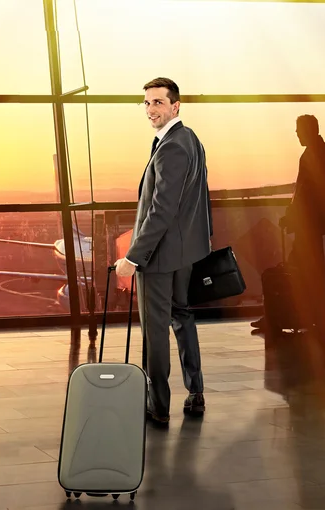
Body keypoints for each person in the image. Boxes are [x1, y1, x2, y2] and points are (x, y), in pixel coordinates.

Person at [114, 77, 212, 425]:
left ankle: (158, 407)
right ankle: (196, 391)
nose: (151, 109)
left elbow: (161, 210)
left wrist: (133, 258)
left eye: (158, 102)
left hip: (160, 257)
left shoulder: (171, 147)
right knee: (182, 318)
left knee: (155, 331)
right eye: (147, 103)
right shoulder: (190, 140)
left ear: (175, 106)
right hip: (184, 253)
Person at [251, 115, 325, 333]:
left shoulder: (312, 155)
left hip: (309, 224)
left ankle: (283, 315)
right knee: (309, 269)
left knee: (300, 268)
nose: (296, 134)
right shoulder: (320, 152)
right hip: (313, 223)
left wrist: (291, 216)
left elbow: (305, 193)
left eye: (298, 130)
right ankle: (310, 316)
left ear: (307, 130)